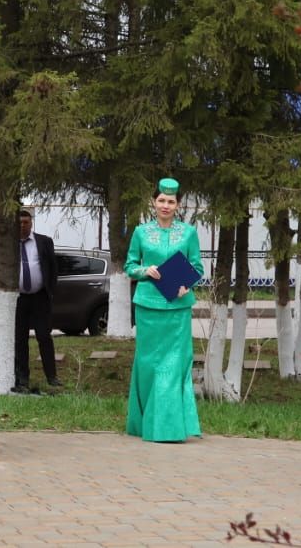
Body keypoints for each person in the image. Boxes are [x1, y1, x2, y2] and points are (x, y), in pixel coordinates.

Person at [124, 177, 203, 443]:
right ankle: (143, 421)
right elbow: (129, 266)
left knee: (174, 364)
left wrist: (185, 283)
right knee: (148, 364)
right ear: (153, 202)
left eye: (171, 201)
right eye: (161, 201)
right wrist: (144, 270)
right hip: (148, 306)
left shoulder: (189, 233)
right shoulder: (141, 232)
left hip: (178, 308)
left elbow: (198, 269)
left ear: (178, 205)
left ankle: (169, 428)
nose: (166, 206)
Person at [12, 208, 60, 393]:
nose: (23, 226)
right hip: (18, 299)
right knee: (20, 339)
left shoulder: (44, 242)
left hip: (40, 297)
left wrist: (51, 292)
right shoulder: (9, 244)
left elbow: (53, 268)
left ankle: (52, 376)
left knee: (44, 336)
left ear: (31, 223)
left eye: (26, 222)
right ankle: (22, 378)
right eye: (20, 223)